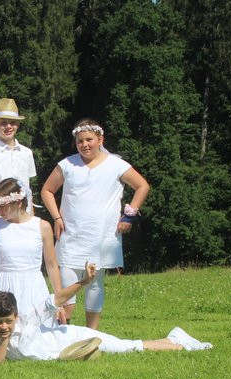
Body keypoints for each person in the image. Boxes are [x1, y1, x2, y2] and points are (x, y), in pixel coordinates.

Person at [40, 118, 150, 328]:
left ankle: (92, 333)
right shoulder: (67, 164)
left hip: (101, 236)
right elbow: (47, 190)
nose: (85, 145)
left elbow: (142, 186)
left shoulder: (116, 165)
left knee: (95, 284)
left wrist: (129, 215)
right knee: (66, 281)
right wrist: (56, 217)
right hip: (71, 235)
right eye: (80, 141)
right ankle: (64, 330)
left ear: (100, 139)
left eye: (89, 140)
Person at [0, 263, 211, 363]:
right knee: (125, 344)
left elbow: (57, 299)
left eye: (8, 321)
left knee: (126, 347)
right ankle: (173, 339)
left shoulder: (29, 317)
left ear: (16, 316)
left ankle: (185, 346)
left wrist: (84, 281)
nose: (4, 326)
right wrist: (5, 340)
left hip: (73, 339)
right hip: (67, 353)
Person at [0, 178, 61, 324]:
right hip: (4, 286)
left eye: (2, 206)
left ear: (18, 203)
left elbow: (51, 265)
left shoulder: (42, 226)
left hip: (33, 287)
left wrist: (59, 300)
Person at [0, 98, 37, 210]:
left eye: (12, 122)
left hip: (22, 214)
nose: (8, 126)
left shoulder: (26, 153)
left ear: (18, 125)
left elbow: (28, 188)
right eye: (3, 123)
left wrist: (31, 212)